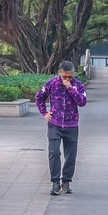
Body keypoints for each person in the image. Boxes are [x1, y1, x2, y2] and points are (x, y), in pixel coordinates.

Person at [34, 60, 87, 196]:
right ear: (59, 73)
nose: (67, 79)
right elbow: (39, 97)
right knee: (54, 153)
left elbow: (82, 102)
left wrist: (70, 87)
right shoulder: (51, 83)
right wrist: (44, 113)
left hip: (72, 125)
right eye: (65, 77)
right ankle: (55, 182)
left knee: (70, 156)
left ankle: (66, 182)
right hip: (55, 124)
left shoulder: (78, 85)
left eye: (70, 76)